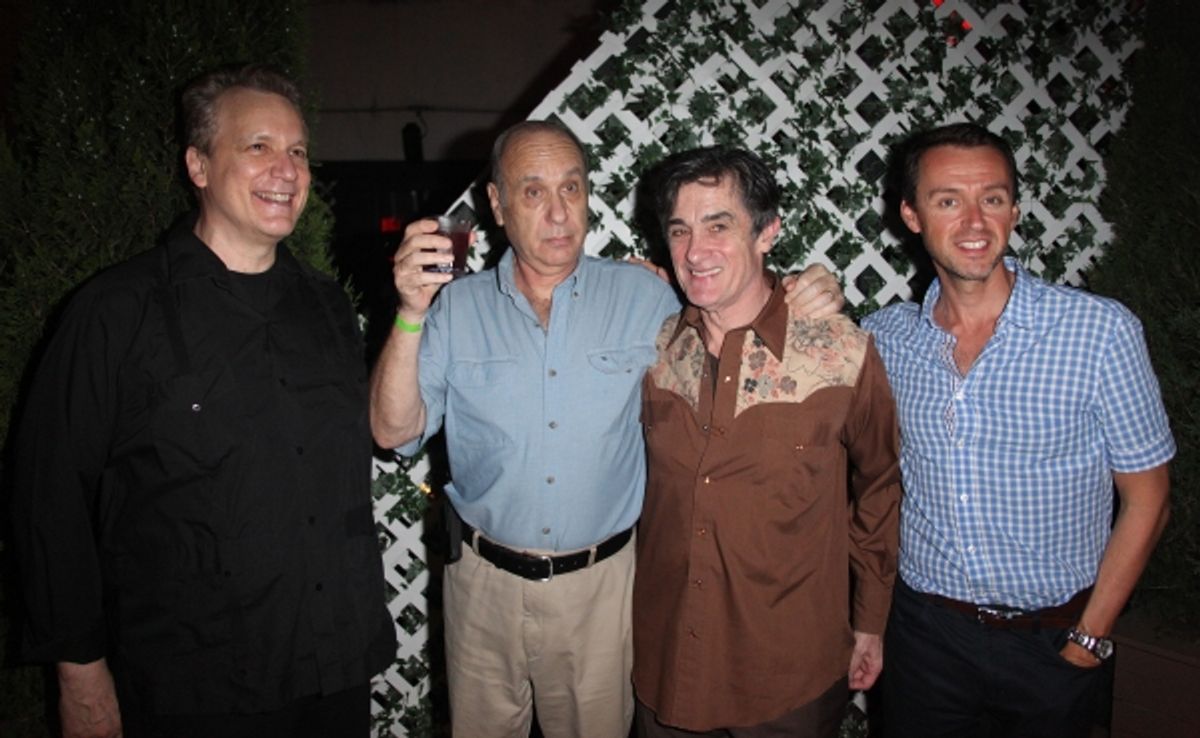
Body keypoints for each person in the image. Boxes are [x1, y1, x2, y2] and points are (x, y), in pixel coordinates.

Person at [368, 120, 843, 738]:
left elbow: (735, 307)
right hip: (482, 588)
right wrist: (410, 312)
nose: (558, 212)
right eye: (533, 191)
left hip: (602, 591)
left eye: (571, 187)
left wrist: (802, 289)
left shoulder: (647, 296)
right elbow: (392, 431)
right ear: (497, 205)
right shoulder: (456, 307)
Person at [10, 64, 396, 738]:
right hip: (196, 686)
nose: (286, 169)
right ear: (198, 165)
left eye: (298, 151)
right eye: (258, 146)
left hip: (333, 668)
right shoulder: (116, 313)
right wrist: (80, 672)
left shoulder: (327, 306)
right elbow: (49, 496)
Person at [862, 122, 1174, 738]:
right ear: (911, 215)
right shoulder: (884, 338)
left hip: (1055, 642)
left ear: (1014, 209)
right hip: (925, 639)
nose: (975, 222)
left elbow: (1150, 499)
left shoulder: (1099, 333)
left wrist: (1089, 639)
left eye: (993, 198)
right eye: (948, 200)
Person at [631, 146, 901, 738]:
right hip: (666, 663)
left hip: (789, 677)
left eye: (718, 226)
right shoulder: (651, 349)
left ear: (767, 232)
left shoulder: (842, 353)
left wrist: (870, 620)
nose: (694, 251)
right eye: (679, 231)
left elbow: (879, 489)